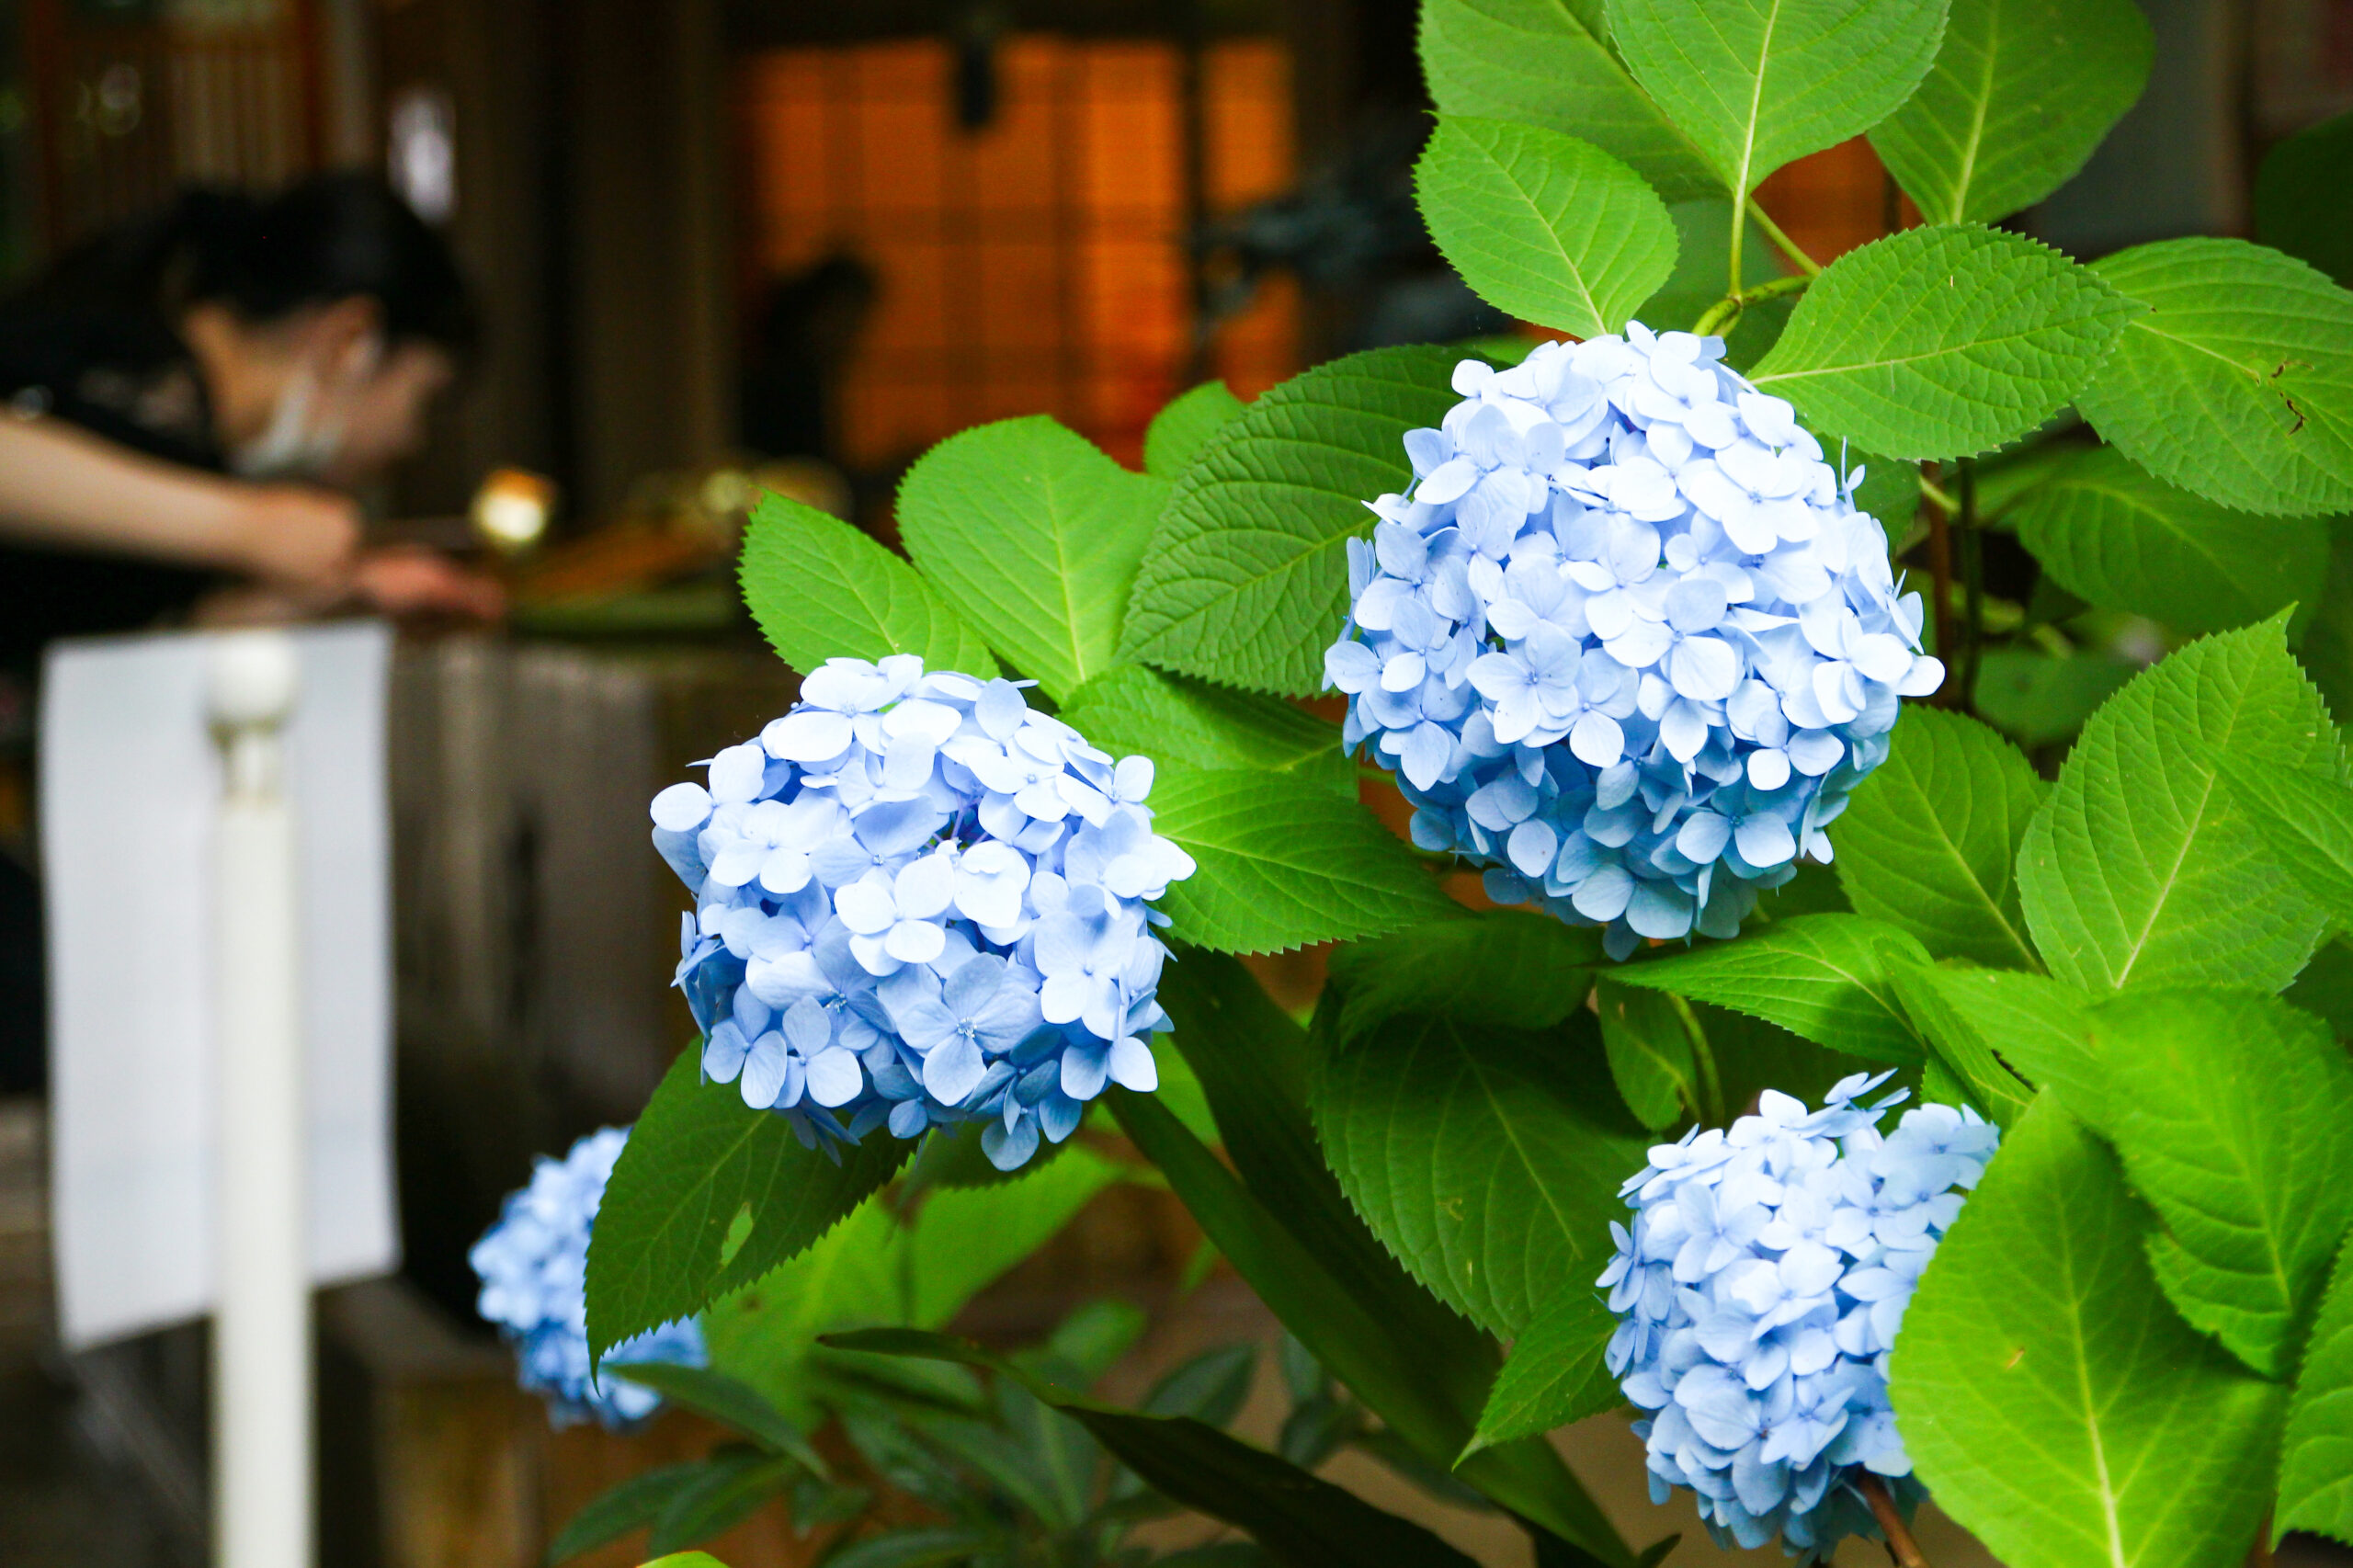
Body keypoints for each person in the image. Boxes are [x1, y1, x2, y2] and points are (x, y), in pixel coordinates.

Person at [0, 172, 502, 1093]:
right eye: (421, 403)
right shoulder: (138, 369)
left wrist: (349, 590)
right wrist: (243, 525)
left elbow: (121, 627)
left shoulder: (183, 440)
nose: (405, 442)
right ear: (352, 339)